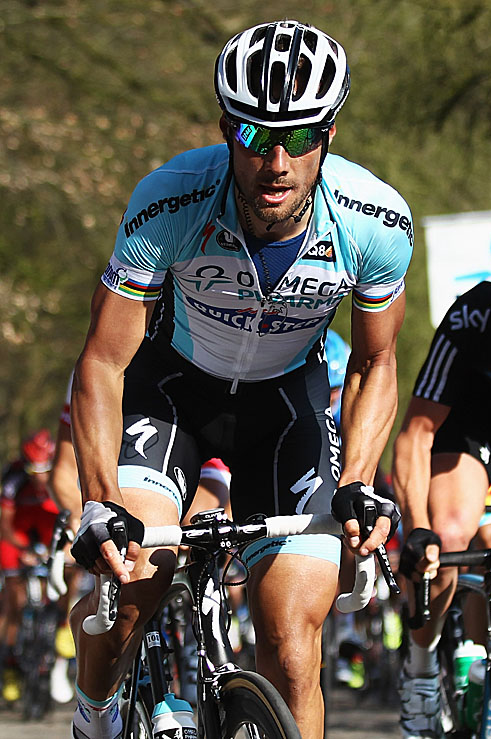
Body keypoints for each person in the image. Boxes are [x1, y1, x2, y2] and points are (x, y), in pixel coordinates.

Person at [69, 19, 412, 739]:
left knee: (291, 645)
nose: (277, 161)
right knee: (132, 589)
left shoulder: (376, 223)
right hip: (171, 396)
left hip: (286, 407)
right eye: (256, 137)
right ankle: (95, 710)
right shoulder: (170, 201)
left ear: (332, 132)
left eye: (302, 136)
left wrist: (361, 475)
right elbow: (102, 362)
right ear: (227, 130)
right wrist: (100, 501)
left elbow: (378, 362)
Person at [392, 280, 491, 739]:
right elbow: (416, 433)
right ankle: (420, 669)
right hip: (469, 427)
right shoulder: (476, 314)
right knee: (454, 537)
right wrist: (418, 528)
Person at [0, 429, 58, 702]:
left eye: (44, 471)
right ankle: (10, 660)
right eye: (34, 472)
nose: (40, 478)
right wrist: (22, 551)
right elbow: (5, 525)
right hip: (17, 529)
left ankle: (60, 626)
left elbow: (72, 514)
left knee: (65, 569)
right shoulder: (13, 479)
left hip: (47, 525)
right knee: (14, 598)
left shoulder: (62, 474)